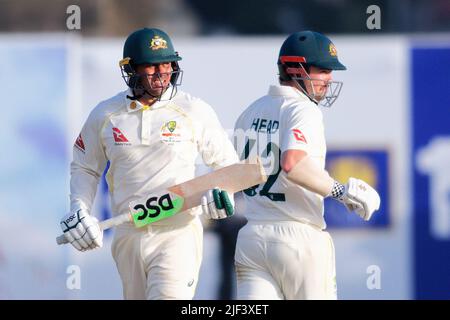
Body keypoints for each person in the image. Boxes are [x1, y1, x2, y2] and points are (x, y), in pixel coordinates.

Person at [59, 28, 238, 300]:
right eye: (151, 66)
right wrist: (79, 209)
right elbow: (85, 167)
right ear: (131, 69)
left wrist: (223, 195)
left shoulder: (193, 110)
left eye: (166, 64)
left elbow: (228, 167)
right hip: (128, 234)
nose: (161, 73)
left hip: (177, 233)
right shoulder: (106, 114)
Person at [233, 30, 381, 300]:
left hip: (252, 238)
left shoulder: (250, 111)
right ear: (295, 68)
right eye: (322, 70)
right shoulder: (303, 109)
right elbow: (294, 164)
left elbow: (239, 174)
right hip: (297, 237)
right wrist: (342, 191)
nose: (329, 78)